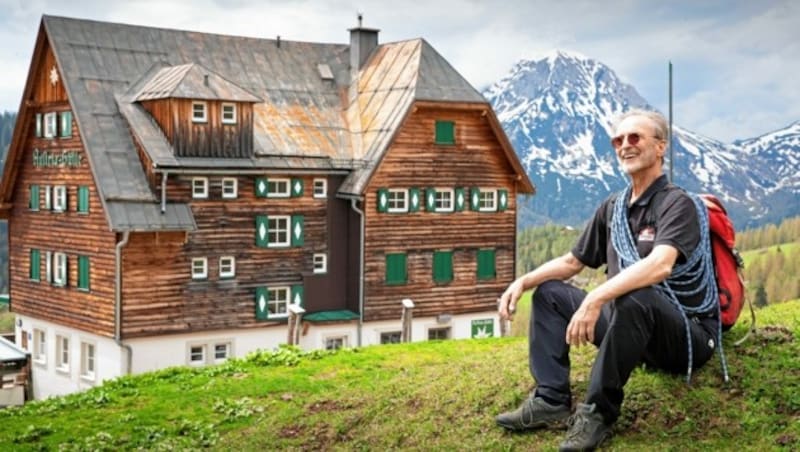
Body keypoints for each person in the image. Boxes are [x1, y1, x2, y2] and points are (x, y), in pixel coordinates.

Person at [495, 108, 720, 451]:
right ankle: (551, 400)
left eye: (635, 137)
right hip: (629, 328)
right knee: (550, 294)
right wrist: (523, 281)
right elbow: (573, 261)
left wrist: (595, 297)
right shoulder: (613, 207)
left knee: (637, 296)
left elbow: (660, 265)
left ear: (661, 147)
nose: (625, 145)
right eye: (618, 139)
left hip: (685, 335)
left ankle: (597, 413)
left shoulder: (677, 203)